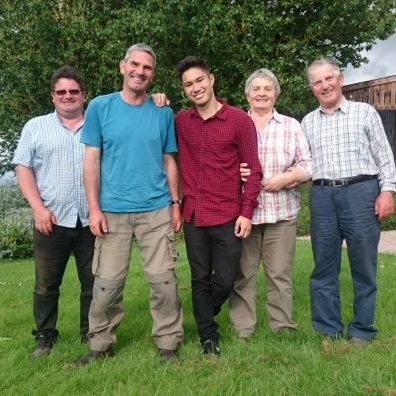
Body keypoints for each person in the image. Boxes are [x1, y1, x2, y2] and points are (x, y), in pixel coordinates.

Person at [76, 43, 184, 365]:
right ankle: (100, 344)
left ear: (153, 74)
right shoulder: (99, 107)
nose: (140, 71)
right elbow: (91, 161)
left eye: (147, 67)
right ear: (122, 66)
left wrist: (176, 203)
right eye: (134, 65)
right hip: (112, 212)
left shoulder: (162, 111)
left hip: (156, 209)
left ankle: (168, 343)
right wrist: (93, 208)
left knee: (164, 281)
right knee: (106, 284)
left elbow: (169, 160)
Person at [302, 57, 396, 345]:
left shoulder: (364, 112)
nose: (324, 85)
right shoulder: (307, 122)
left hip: (361, 192)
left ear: (340, 79)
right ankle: (328, 329)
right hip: (322, 196)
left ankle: (361, 330)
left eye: (328, 78)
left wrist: (387, 190)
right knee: (324, 267)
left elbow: (384, 155)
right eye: (317, 82)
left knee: (364, 266)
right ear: (312, 88)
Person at [175, 56, 262, 355]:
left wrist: (246, 212)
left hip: (227, 214)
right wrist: (157, 101)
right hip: (194, 214)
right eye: (188, 84)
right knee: (199, 277)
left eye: (199, 80)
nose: (195, 87)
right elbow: (151, 119)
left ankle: (203, 314)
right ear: (184, 90)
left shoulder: (239, 120)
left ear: (211, 79)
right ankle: (207, 336)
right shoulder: (180, 122)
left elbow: (254, 170)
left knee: (224, 280)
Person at [12, 66, 95, 357]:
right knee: (46, 285)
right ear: (52, 96)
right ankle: (45, 336)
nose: (68, 96)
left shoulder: (98, 125)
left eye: (74, 91)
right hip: (52, 219)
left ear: (84, 94)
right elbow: (23, 169)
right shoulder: (35, 127)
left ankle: (90, 334)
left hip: (91, 219)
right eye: (61, 92)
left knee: (93, 282)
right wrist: (38, 209)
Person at [228, 68, 312, 337]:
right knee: (243, 274)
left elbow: (307, 166)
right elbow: (219, 163)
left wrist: (286, 178)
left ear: (276, 94)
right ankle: (243, 327)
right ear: (247, 94)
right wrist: (235, 172)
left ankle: (282, 325)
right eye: (256, 89)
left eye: (267, 89)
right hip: (244, 214)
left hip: (282, 213)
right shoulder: (235, 123)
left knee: (279, 274)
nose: (262, 93)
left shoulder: (291, 126)